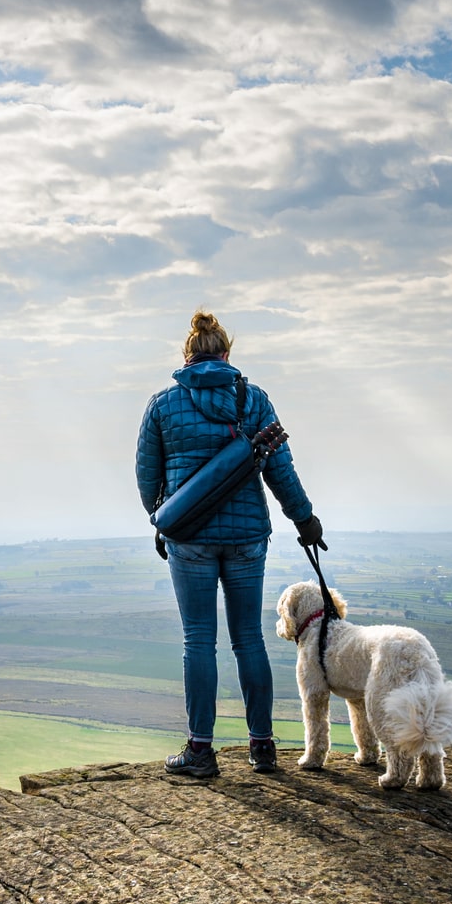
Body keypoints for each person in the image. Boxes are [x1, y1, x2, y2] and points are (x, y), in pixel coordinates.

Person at [135, 310, 323, 778]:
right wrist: (305, 519)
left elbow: (147, 475)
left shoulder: (163, 404)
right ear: (226, 353)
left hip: (190, 538)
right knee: (247, 639)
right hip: (246, 537)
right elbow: (280, 468)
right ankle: (262, 746)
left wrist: (162, 518)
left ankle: (200, 751)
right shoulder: (253, 399)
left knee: (198, 639)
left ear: (188, 355)